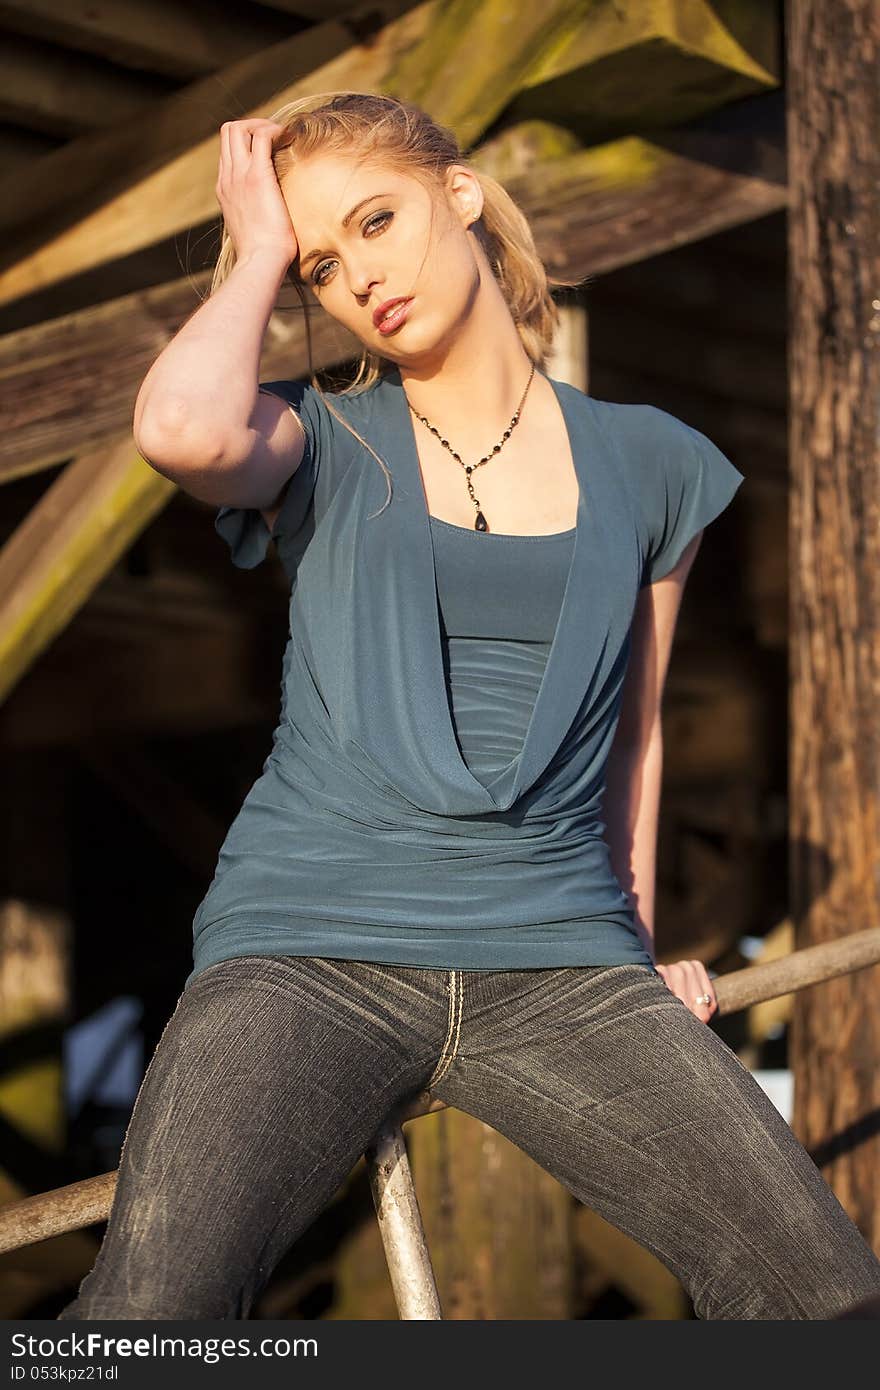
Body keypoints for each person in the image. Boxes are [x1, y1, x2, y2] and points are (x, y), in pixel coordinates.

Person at [58, 92, 880, 1321]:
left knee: (826, 1299)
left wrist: (640, 940)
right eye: (326, 266)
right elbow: (178, 424)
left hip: (559, 958)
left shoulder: (653, 461)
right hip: (306, 950)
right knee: (152, 1314)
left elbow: (633, 728)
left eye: (376, 221)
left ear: (461, 192)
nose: (361, 280)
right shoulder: (327, 443)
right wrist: (259, 257)